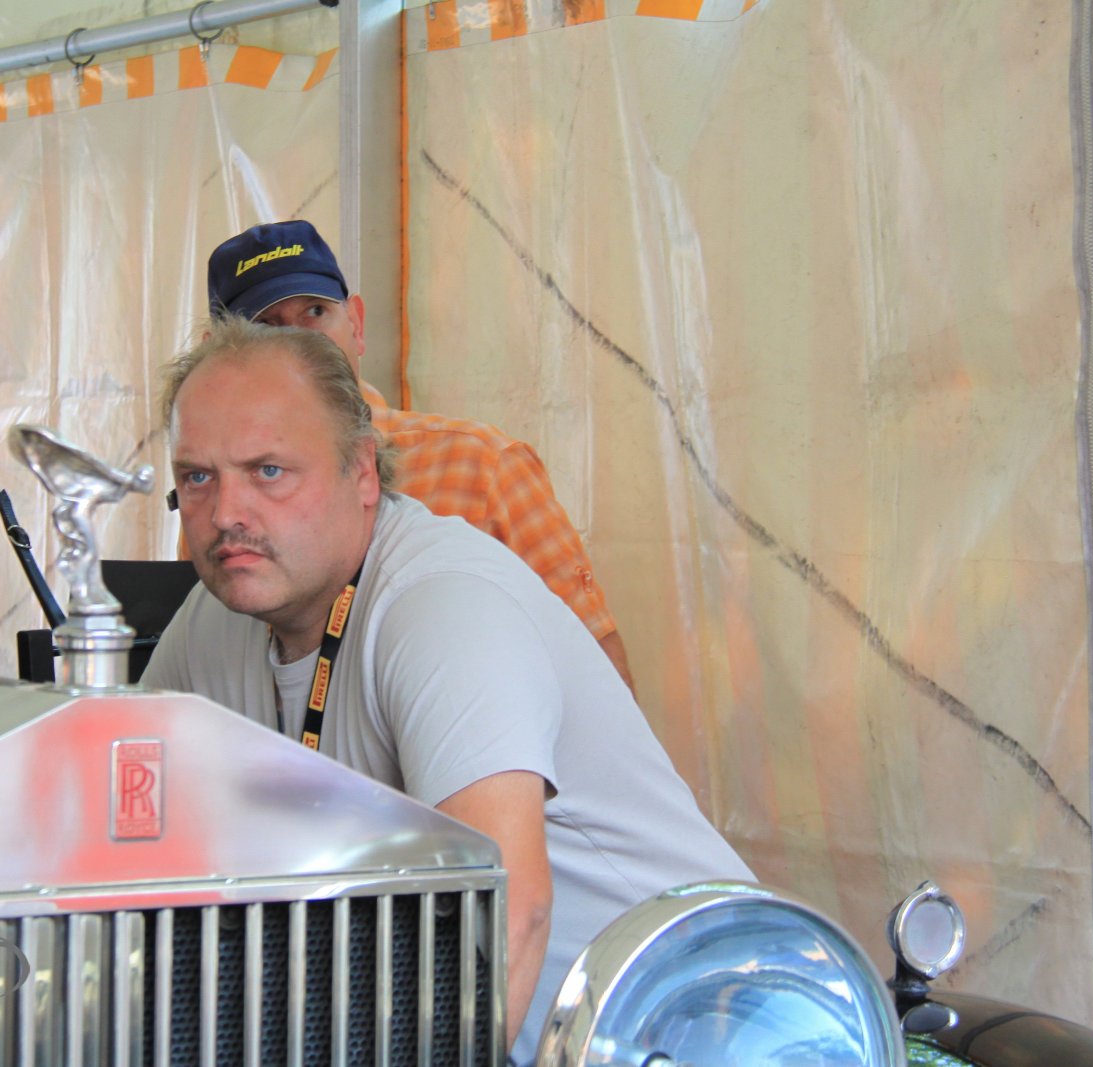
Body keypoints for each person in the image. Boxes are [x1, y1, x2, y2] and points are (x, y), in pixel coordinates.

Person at [141, 318, 753, 1065]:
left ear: (362, 471)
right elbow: (115, 821)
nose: (226, 513)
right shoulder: (219, 614)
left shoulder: (441, 603)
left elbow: (508, 913)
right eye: (198, 477)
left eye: (268, 470)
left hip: (703, 1025)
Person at [203, 220, 637, 692]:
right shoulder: (220, 500)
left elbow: (596, 672)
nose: (300, 341)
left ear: (356, 324)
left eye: (315, 312)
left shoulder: (482, 466)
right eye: (265, 326)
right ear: (214, 361)